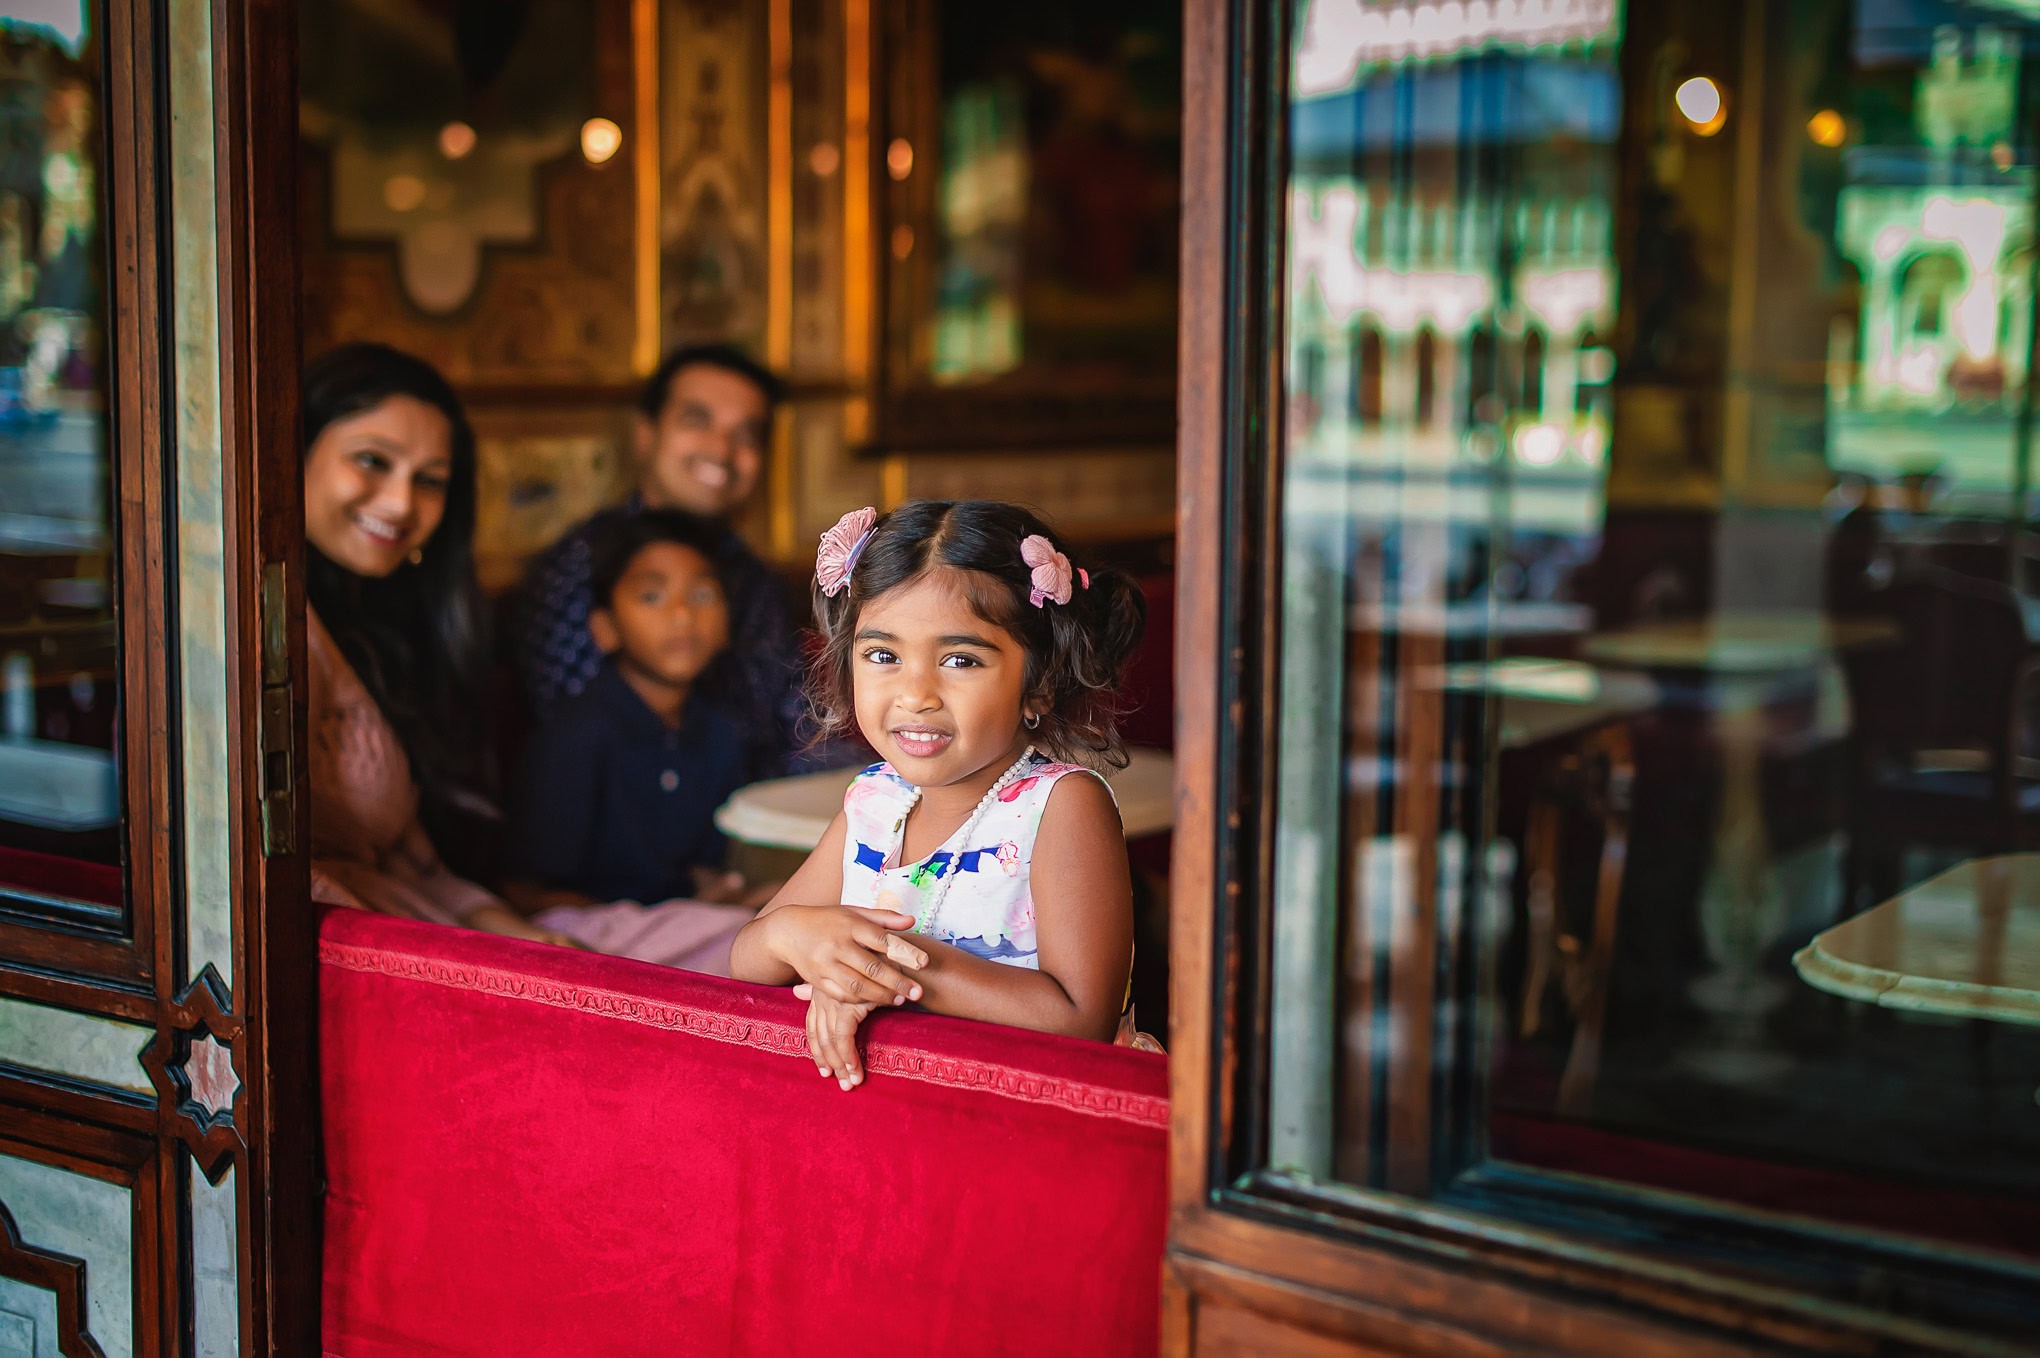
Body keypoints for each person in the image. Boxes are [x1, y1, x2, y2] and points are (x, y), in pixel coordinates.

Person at [303, 342, 755, 973]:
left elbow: (421, 869)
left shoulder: (387, 632)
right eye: (372, 461)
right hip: (364, 958)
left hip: (437, 930)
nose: (401, 503)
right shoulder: (262, 628)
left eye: (429, 480)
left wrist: (513, 939)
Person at [728, 500, 1155, 1091]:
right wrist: (794, 934)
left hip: (1039, 1127)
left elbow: (1079, 1017)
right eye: (883, 656)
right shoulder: (872, 806)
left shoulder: (1060, 806)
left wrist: (882, 968)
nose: (916, 693)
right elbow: (748, 957)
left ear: (1041, 684)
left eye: (960, 659)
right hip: (902, 1125)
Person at [516, 345, 807, 781]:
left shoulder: (755, 579)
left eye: (746, 435)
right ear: (645, 435)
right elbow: (576, 736)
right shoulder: (580, 567)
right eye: (698, 420)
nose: (723, 450)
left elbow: (797, 726)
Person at [505, 511, 771, 910]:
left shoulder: (718, 731)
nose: (682, 615)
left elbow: (701, 873)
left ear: (727, 625)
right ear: (605, 628)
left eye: (702, 595)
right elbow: (525, 892)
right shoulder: (579, 735)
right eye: (652, 596)